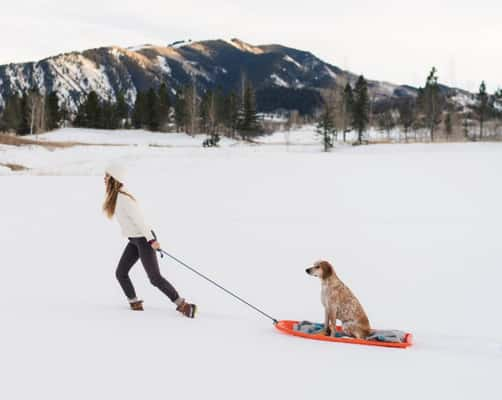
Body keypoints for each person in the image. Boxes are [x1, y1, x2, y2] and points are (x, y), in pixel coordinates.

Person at [102, 162, 196, 318]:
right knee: (121, 273)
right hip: (134, 240)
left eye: (107, 176)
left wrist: (152, 241)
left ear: (114, 179)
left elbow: (141, 222)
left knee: (154, 278)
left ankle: (184, 306)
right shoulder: (116, 197)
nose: (104, 178)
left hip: (144, 239)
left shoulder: (124, 199)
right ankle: (135, 303)